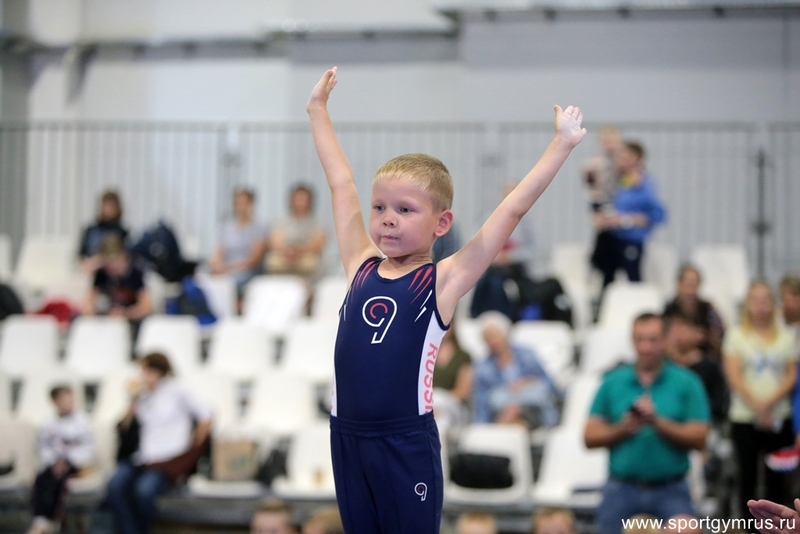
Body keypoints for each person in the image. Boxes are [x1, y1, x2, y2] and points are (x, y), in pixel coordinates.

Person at [307, 66, 585, 534]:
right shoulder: (360, 264)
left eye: (405, 209)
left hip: (405, 442)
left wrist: (561, 144)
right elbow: (340, 183)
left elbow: (511, 210)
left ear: (441, 223)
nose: (387, 219)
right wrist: (317, 110)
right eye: (380, 207)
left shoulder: (443, 281)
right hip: (347, 436)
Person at [584, 313, 710, 534]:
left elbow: (700, 437)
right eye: (640, 339)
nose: (646, 347)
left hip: (671, 487)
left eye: (653, 340)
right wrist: (625, 427)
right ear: (632, 341)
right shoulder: (612, 382)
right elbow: (589, 437)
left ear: (665, 340)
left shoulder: (686, 382)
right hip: (621, 486)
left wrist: (657, 421)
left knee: (686, 529)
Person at [107, 353, 212, 534]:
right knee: (114, 485)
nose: (142, 376)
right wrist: (131, 402)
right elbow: (124, 426)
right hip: (143, 458)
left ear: (158, 371)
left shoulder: (178, 391)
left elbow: (206, 416)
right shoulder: (141, 396)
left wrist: (190, 452)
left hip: (169, 459)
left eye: (146, 371)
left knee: (144, 492)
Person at [724, 281, 797, 518]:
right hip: (745, 416)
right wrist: (757, 405)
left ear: (773, 303)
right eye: (755, 300)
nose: (760, 305)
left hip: (779, 414)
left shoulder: (786, 336)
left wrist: (769, 403)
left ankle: (777, 525)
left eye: (765, 299)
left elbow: (791, 375)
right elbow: (734, 375)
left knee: (777, 476)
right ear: (747, 304)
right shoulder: (736, 335)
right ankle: (748, 525)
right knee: (747, 474)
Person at [592, 141, 666, 288]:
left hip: (631, 241)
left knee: (633, 280)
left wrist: (625, 220)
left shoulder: (645, 186)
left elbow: (657, 216)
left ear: (636, 159)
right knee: (606, 281)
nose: (620, 161)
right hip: (611, 239)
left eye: (624, 157)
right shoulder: (618, 182)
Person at [473, 311, 560, 428]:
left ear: (505, 334)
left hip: (532, 407)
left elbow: (550, 385)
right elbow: (482, 402)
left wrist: (527, 383)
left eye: (495, 336)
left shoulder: (527, 355)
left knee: (537, 393)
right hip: (502, 409)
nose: (493, 341)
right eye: (488, 338)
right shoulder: (483, 368)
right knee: (498, 400)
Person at [27, 386, 95, 534]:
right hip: (54, 464)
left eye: (71, 400)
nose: (69, 403)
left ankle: (51, 522)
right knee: (41, 479)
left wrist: (68, 461)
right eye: (65, 400)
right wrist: (54, 461)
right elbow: (43, 447)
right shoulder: (47, 423)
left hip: (76, 465)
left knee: (59, 480)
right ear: (55, 402)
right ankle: (41, 520)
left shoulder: (82, 421)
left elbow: (88, 448)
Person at [664, 312, 728, 425]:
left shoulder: (710, 367)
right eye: (675, 331)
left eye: (684, 330)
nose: (679, 336)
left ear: (698, 334)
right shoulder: (662, 367)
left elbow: (719, 403)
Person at [82, 235, 152, 338]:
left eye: (115, 262)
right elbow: (88, 305)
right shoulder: (102, 273)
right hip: (109, 324)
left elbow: (146, 308)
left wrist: (125, 314)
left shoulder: (136, 272)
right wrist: (94, 316)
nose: (112, 268)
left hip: (133, 325)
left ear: (124, 258)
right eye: (108, 264)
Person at [208, 188, 268, 294]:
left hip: (245, 271)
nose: (240, 206)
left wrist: (229, 269)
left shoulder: (258, 227)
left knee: (230, 281)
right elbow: (219, 251)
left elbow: (254, 259)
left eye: (243, 203)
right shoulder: (226, 226)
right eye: (237, 203)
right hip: (225, 269)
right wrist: (217, 266)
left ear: (251, 204)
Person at [266, 184, 327, 278]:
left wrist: (299, 252)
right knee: (272, 261)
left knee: (310, 263)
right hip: (285, 255)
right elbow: (275, 241)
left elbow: (317, 243)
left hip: (306, 255)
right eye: (297, 199)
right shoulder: (282, 221)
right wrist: (288, 251)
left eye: (303, 199)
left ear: (310, 201)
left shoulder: (318, 222)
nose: (299, 203)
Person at [663, 265, 725, 357]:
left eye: (695, 285)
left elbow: (721, 336)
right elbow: (663, 340)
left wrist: (703, 336)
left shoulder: (707, 309)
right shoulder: (669, 311)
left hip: (705, 359)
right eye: (688, 284)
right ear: (679, 284)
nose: (691, 290)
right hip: (675, 359)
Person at [432, 321, 473, 430]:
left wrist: (441, 399)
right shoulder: (427, 355)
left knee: (437, 405)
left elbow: (463, 391)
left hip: (454, 403)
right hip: (432, 405)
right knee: (440, 421)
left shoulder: (463, 356)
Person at [78, 190, 129, 273]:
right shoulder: (91, 231)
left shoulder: (123, 233)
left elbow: (126, 259)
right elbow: (81, 257)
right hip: (93, 269)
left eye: (112, 206)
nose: (108, 210)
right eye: (106, 206)